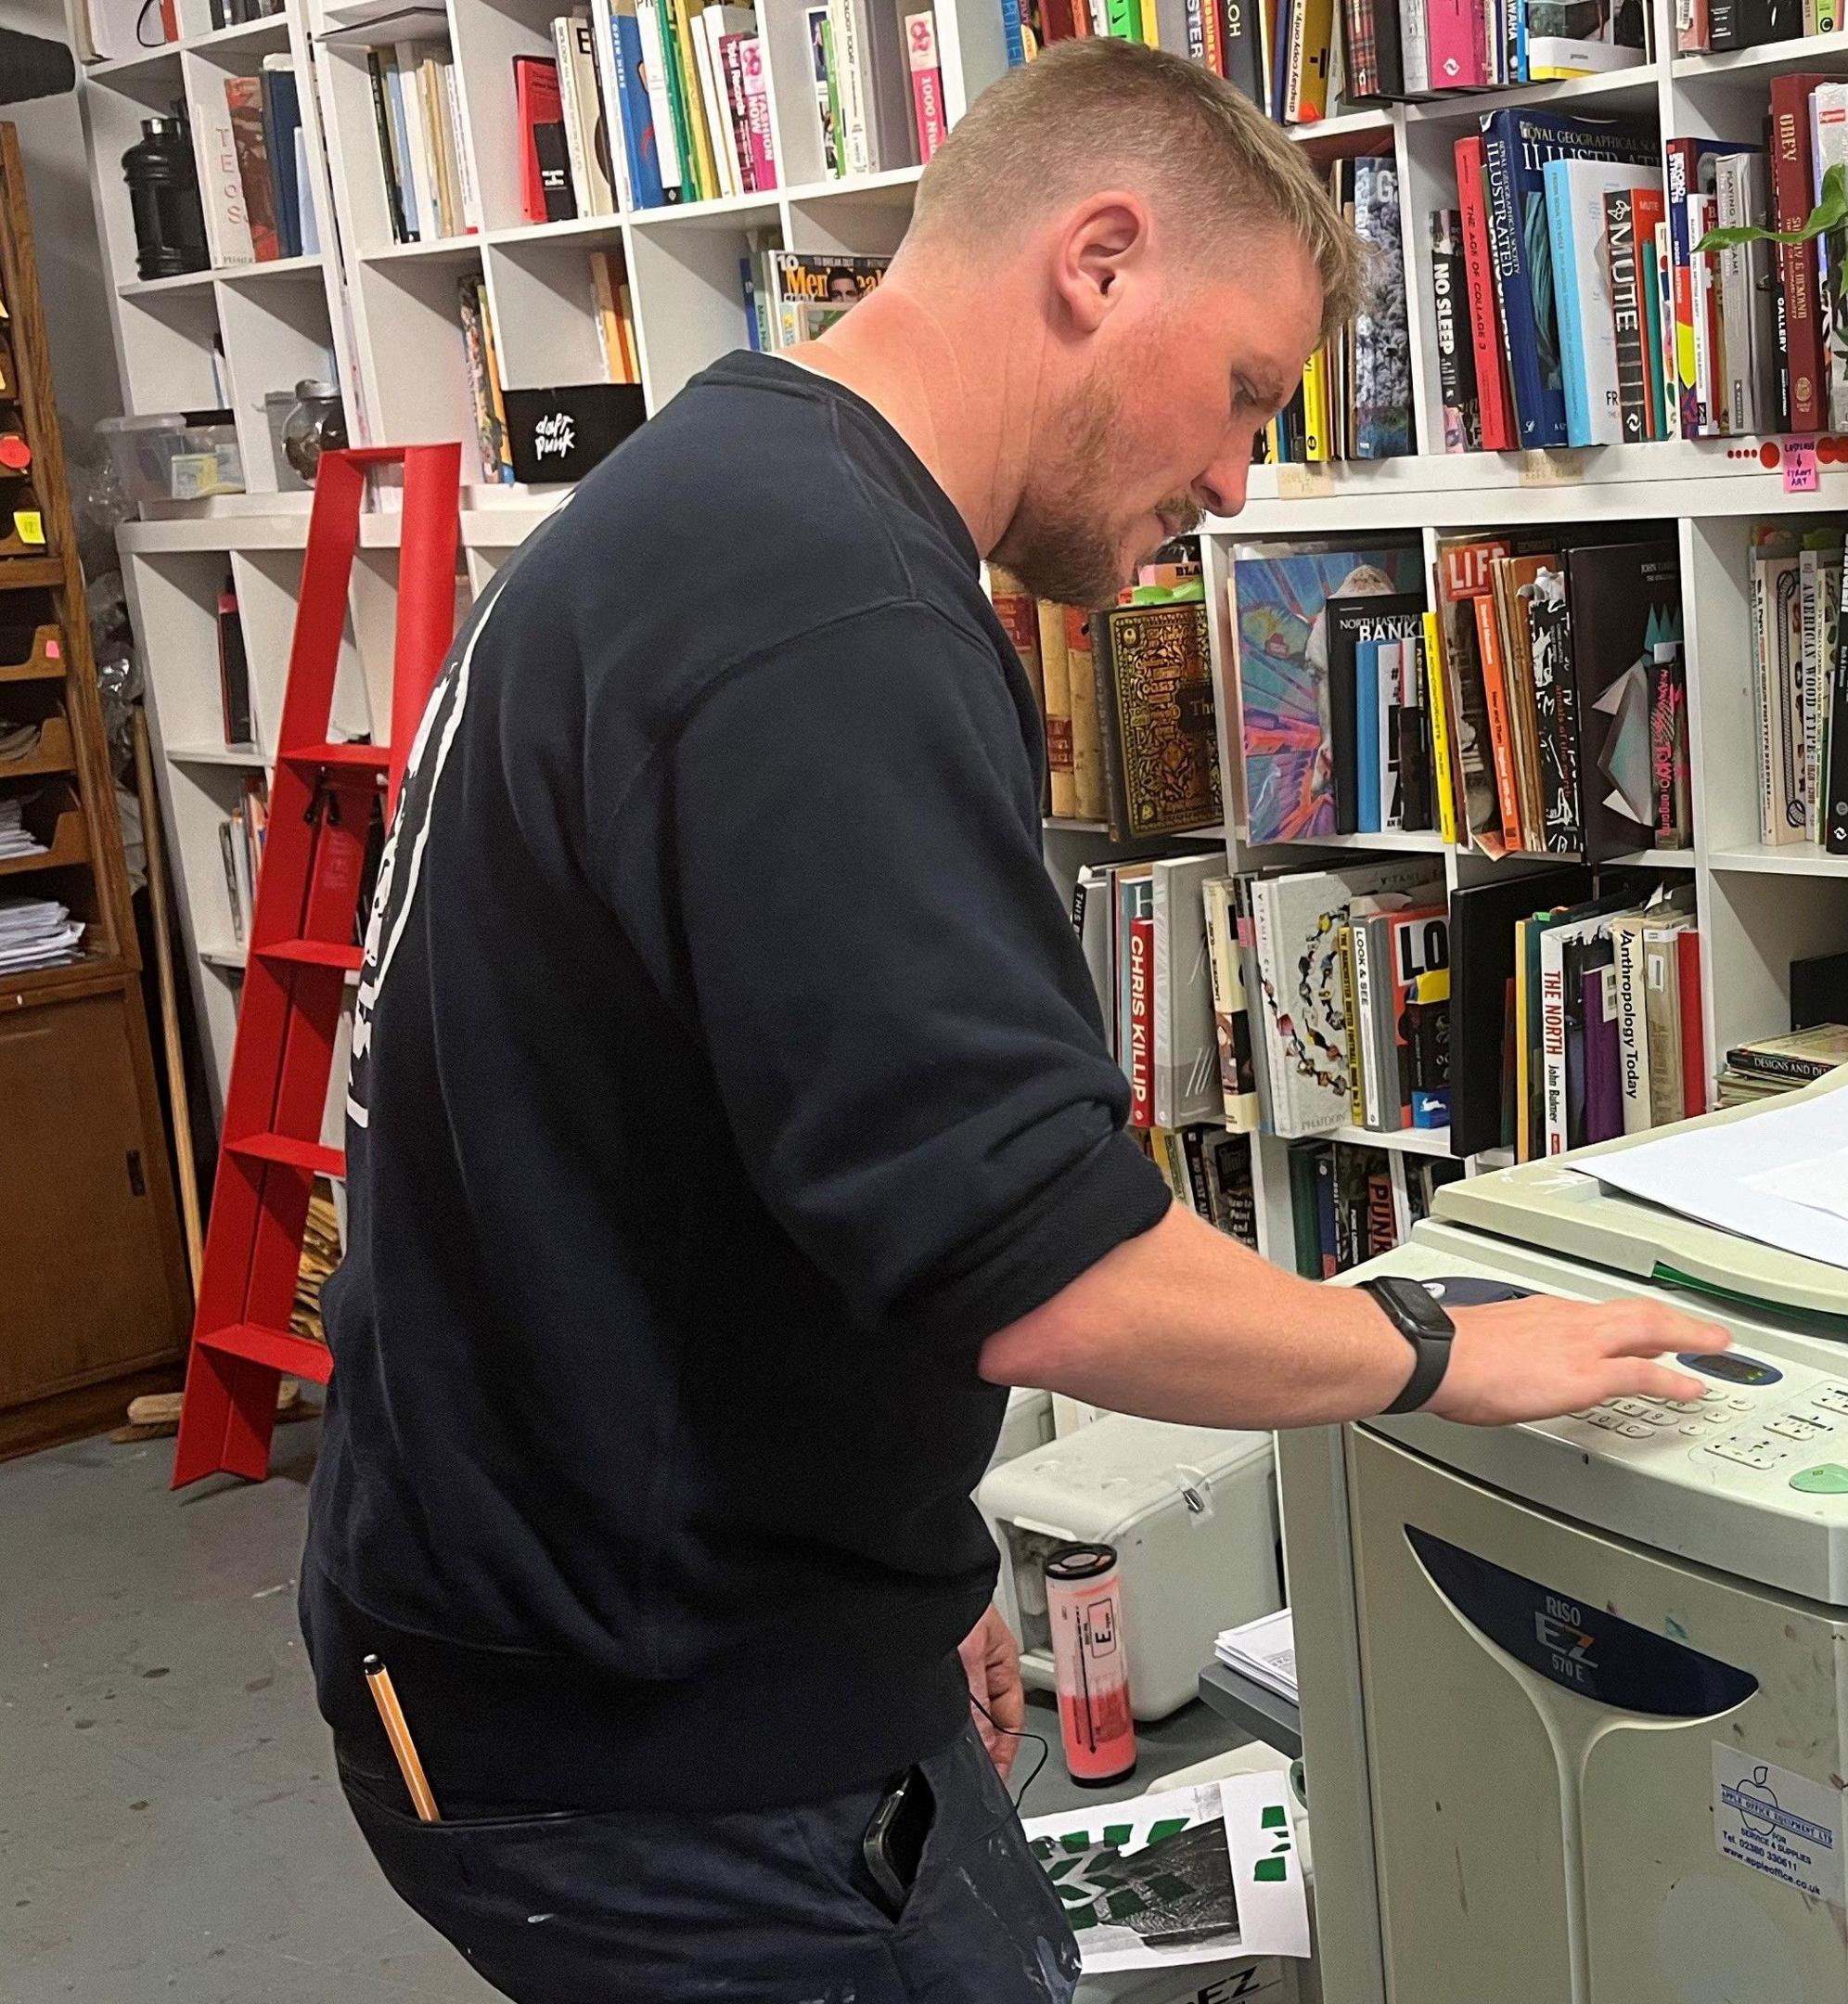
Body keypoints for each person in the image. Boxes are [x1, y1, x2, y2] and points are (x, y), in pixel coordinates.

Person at [302, 39, 1727, 2002]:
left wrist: (910, 1584)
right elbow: (1042, 1268)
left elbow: (760, 1147)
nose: (1239, 478)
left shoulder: (717, 499)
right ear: (1101, 261)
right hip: (651, 1734)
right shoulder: (828, 611)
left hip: (599, 1626)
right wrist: (1436, 1348)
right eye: (1241, 394)